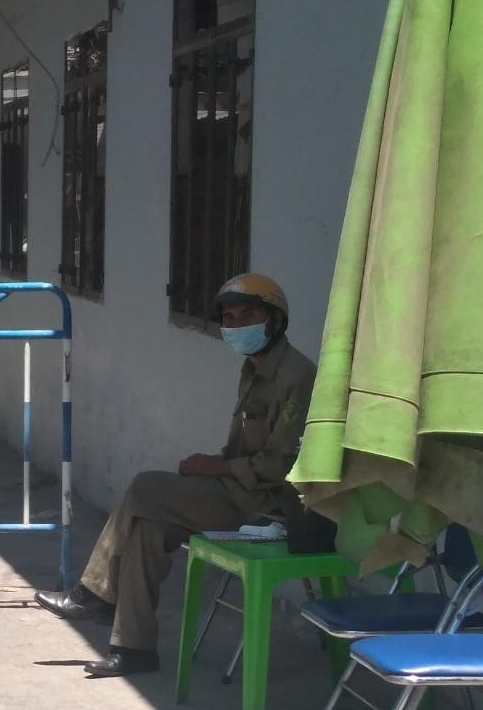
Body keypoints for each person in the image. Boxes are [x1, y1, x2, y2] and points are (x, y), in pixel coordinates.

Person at [35, 274, 316, 678]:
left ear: (273, 320)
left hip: (268, 507)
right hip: (238, 493)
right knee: (147, 527)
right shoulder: (252, 369)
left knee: (147, 486)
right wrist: (215, 463)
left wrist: (213, 467)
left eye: (248, 317)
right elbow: (243, 451)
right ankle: (133, 650)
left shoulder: (296, 377)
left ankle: (94, 592)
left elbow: (283, 464)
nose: (237, 326)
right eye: (230, 319)